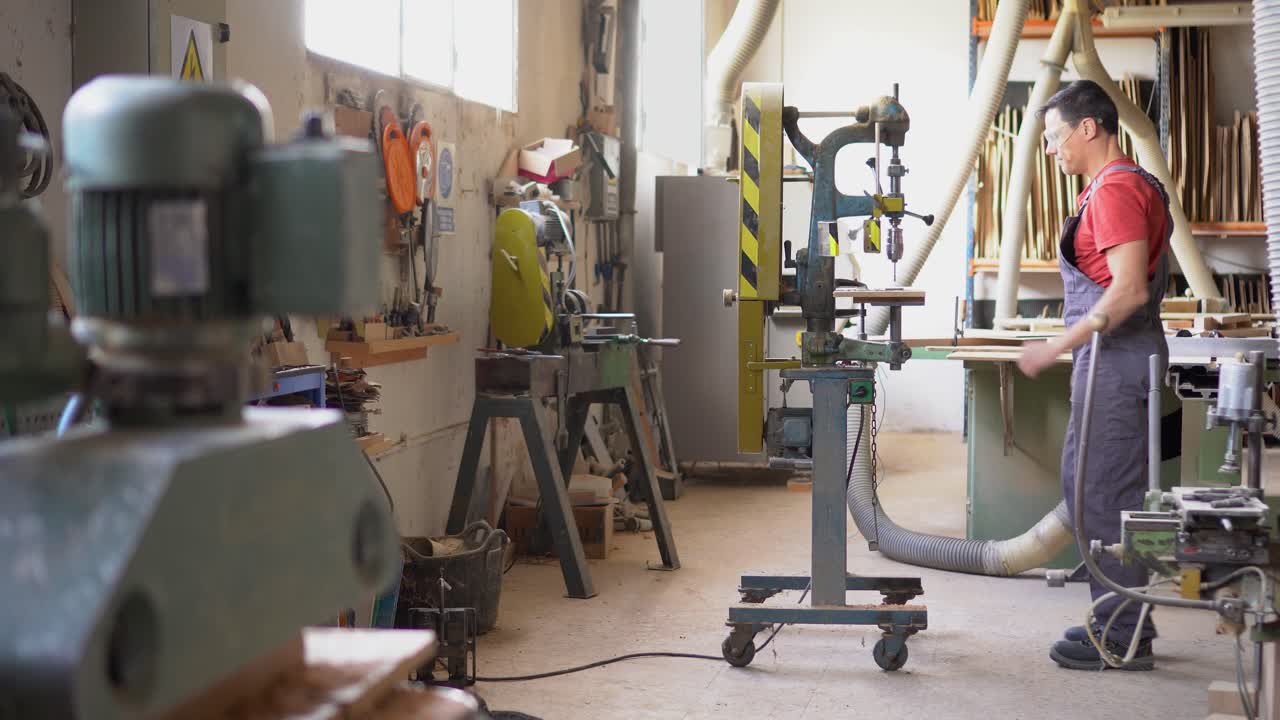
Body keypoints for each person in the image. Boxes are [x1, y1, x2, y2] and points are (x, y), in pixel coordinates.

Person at [1016, 79, 1169, 671]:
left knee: (1107, 500)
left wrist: (1056, 344)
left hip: (1116, 362)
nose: (1052, 149)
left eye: (1056, 137)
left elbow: (1128, 289)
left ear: (1088, 128)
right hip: (1111, 362)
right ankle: (1126, 619)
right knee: (1093, 494)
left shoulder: (1115, 191)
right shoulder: (1121, 185)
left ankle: (1124, 637)